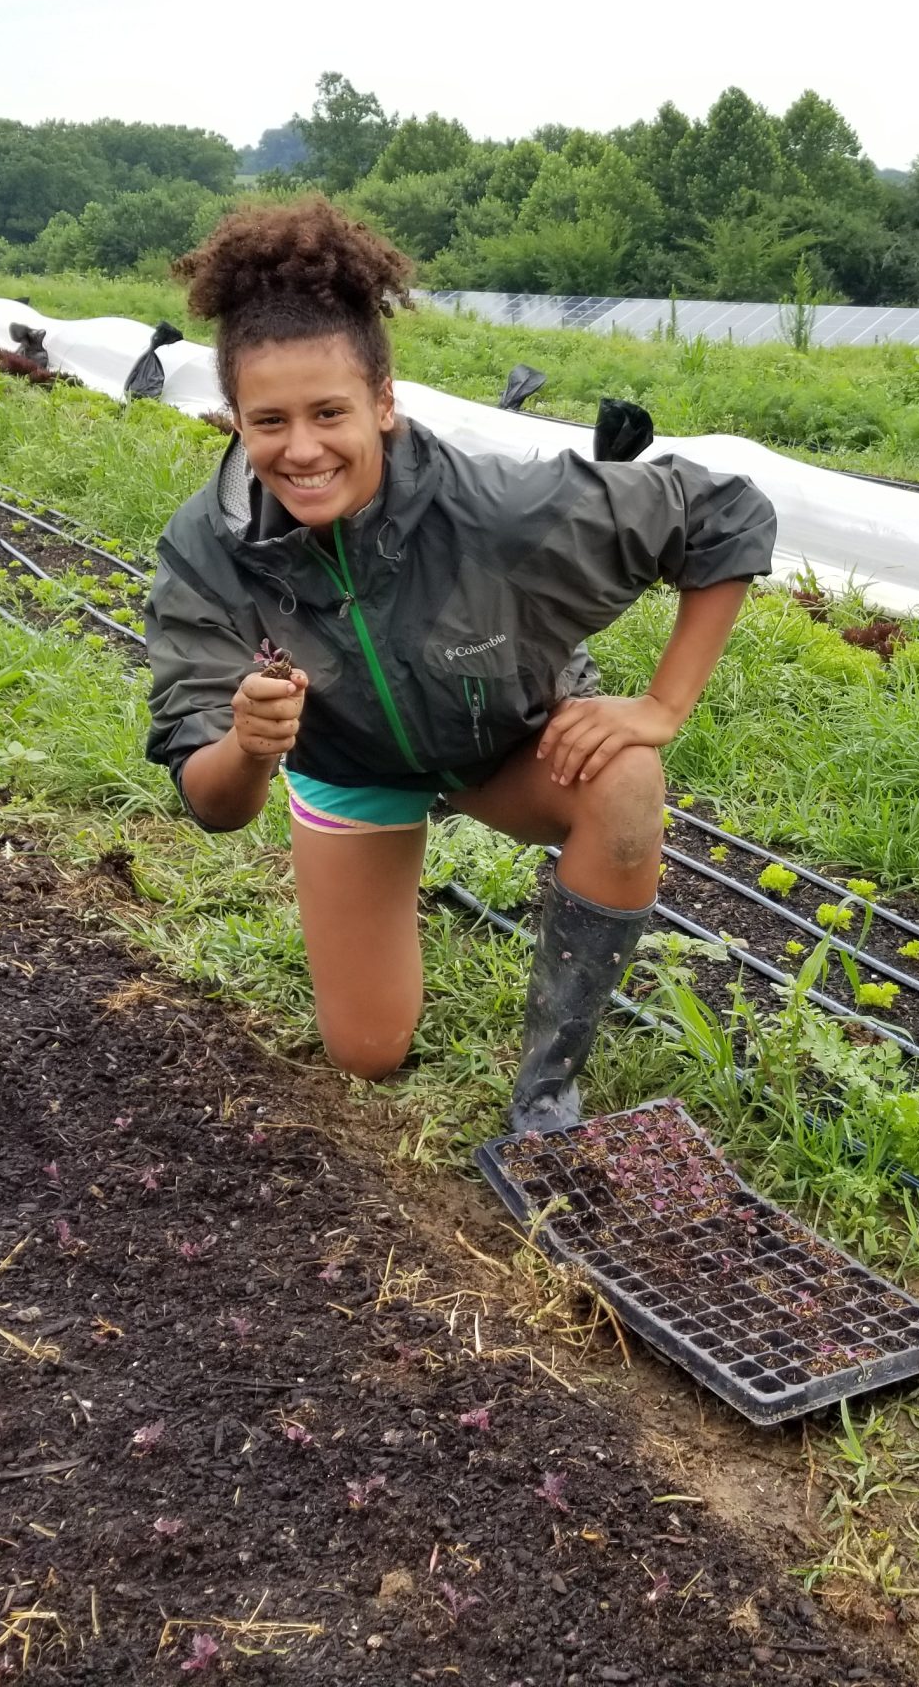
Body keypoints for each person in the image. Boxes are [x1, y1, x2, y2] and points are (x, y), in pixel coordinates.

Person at [143, 200, 775, 1133]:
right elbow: (215, 807)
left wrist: (662, 706)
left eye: (330, 412)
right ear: (234, 418)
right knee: (368, 1054)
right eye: (269, 420)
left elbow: (724, 515)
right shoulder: (208, 552)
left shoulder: (497, 505)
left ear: (384, 402)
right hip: (352, 772)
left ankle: (546, 1095)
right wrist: (249, 746)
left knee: (628, 781)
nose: (303, 448)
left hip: (504, 742)